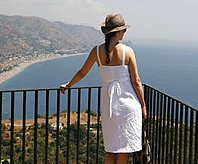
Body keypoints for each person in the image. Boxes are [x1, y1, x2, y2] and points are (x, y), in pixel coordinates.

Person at [60, 13, 147, 164]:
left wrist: (69, 84)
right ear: (119, 31)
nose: (124, 33)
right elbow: (136, 81)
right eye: (124, 30)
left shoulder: (96, 51)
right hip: (128, 105)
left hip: (109, 107)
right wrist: (143, 105)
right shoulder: (128, 51)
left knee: (110, 148)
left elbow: (82, 72)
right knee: (124, 150)